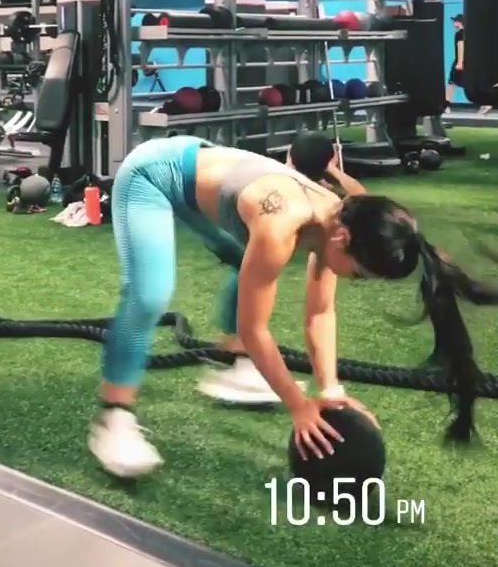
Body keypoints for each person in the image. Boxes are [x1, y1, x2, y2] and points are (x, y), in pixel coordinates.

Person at [88, 136, 497, 479]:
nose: (353, 281)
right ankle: (114, 416)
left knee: (246, 264)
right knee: (149, 294)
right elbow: (255, 328)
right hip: (152, 174)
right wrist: (298, 405)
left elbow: (320, 313)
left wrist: (330, 389)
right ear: (342, 240)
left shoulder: (342, 218)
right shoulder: (283, 224)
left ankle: (238, 367)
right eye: (358, 275)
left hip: (201, 171)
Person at [445, 14, 465, 108]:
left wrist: (460, 62)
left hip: (460, 62)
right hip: (469, 61)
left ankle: (446, 105)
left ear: (459, 22)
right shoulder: (468, 33)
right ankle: (486, 104)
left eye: (455, 21)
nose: (453, 23)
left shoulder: (459, 34)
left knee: (451, 83)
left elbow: (461, 46)